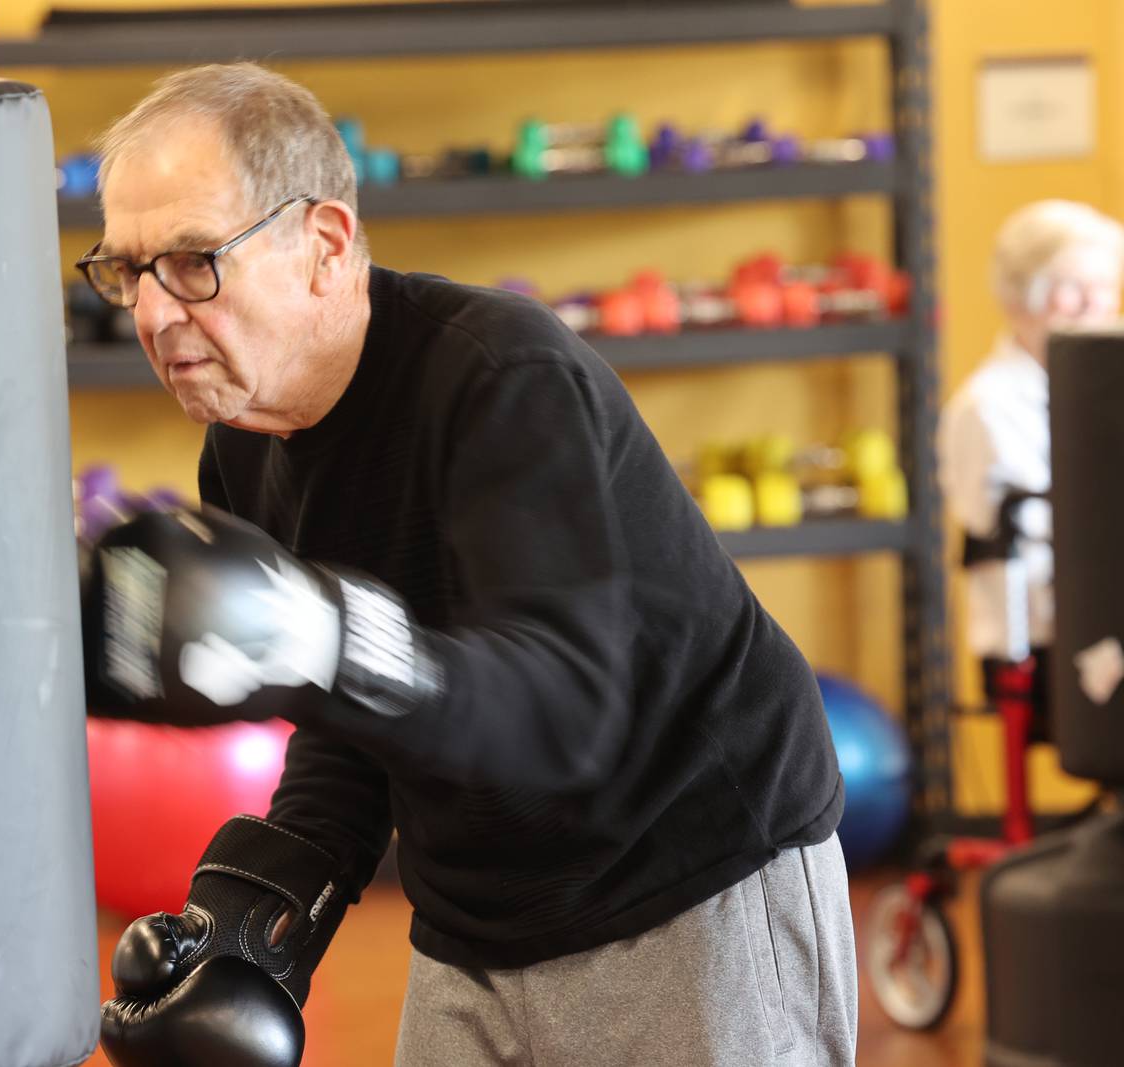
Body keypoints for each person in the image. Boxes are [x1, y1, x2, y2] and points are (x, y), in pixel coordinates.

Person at [78, 63, 857, 1067]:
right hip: (475, 915)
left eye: (191, 261)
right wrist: (270, 903)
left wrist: (328, 637)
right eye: (127, 270)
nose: (150, 312)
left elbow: (562, 709)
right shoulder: (242, 442)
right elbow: (348, 714)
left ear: (324, 246)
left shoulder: (502, 378)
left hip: (688, 876)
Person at [939, 200, 1123, 745]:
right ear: (1020, 295)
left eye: (1104, 287)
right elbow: (1018, 540)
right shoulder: (987, 406)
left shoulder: (1107, 389)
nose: (1093, 304)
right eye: (1071, 287)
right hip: (1050, 637)